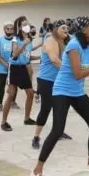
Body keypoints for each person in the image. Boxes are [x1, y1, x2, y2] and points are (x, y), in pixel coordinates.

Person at [29, 17, 89, 176]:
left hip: (77, 92)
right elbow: (78, 73)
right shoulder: (74, 46)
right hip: (62, 91)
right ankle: (37, 171)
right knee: (57, 130)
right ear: (82, 30)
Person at [32, 20, 72, 150]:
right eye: (63, 27)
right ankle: (36, 137)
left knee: (60, 107)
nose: (66, 29)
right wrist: (71, 71)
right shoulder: (50, 41)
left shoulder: (64, 41)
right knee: (46, 108)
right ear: (55, 29)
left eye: (67, 27)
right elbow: (55, 60)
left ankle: (58, 132)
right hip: (46, 80)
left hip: (59, 80)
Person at [0, 16, 38, 131]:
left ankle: (27, 118)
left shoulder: (29, 39)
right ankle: (3, 122)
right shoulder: (15, 39)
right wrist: (24, 44)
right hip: (15, 68)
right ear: (19, 27)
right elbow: (15, 54)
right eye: (24, 24)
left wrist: (41, 58)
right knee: (11, 95)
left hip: (24, 68)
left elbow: (27, 56)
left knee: (30, 93)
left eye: (27, 23)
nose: (26, 26)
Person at [0, 22, 14, 112]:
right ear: (4, 29)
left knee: (13, 85)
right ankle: (0, 104)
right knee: (1, 85)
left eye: (11, 29)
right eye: (7, 29)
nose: (9, 30)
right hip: (2, 67)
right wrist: (5, 64)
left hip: (14, 66)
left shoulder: (16, 40)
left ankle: (13, 102)